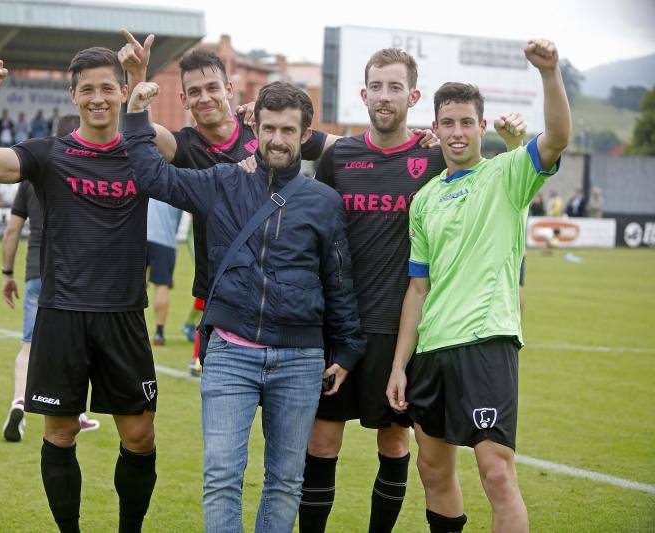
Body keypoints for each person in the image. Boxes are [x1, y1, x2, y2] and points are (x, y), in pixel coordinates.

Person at [296, 47, 526, 533]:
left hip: (398, 327)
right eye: (376, 87)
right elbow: (312, 172)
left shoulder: (431, 154)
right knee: (321, 444)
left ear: (413, 95)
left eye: (395, 87)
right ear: (363, 94)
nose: (384, 96)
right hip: (337, 325)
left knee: (396, 445)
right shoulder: (341, 155)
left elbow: (483, 169)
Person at [124, 78, 366, 533]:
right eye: (270, 128)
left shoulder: (324, 202)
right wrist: (136, 114)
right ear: (255, 128)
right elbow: (151, 176)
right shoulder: (222, 181)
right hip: (230, 354)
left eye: (288, 131)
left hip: (299, 359)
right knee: (220, 478)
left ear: (304, 134)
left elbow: (338, 280)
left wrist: (348, 351)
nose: (277, 139)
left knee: (285, 482)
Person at [0, 48, 158, 533]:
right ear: (73, 95)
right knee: (61, 432)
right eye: (87, 89)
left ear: (122, 92)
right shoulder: (47, 154)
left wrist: (142, 79)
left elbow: (205, 146)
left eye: (107, 87)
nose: (97, 98)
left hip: (124, 315)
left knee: (139, 436)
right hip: (61, 313)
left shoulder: (144, 152)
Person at [387, 39, 570, 533]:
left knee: (496, 474)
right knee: (432, 470)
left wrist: (549, 74)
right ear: (437, 128)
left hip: (487, 345)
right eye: (448, 122)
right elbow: (417, 290)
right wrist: (400, 365)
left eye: (467, 121)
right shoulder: (423, 201)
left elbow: (556, 137)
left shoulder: (507, 175)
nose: (457, 131)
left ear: (482, 127)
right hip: (432, 351)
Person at [119, 31, 333, 375]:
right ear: (184, 100)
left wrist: (415, 146)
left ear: (229, 91)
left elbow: (343, 148)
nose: (205, 98)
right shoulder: (182, 146)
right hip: (224, 300)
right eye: (194, 92)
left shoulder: (264, 130)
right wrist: (136, 78)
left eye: (212, 88)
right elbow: (134, 128)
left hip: (283, 295)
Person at [0, 179, 100, 442]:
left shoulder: (30, 181)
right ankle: (75, 413)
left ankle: (19, 402)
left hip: (36, 272)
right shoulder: (81, 174)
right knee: (75, 346)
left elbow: (12, 230)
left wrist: (7, 273)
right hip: (72, 273)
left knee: (28, 346)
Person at [146, 198, 183, 346]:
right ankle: (159, 334)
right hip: (164, 241)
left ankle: (129, 328)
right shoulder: (178, 180)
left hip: (138, 235)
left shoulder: (145, 177)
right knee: (162, 286)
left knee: (134, 285)